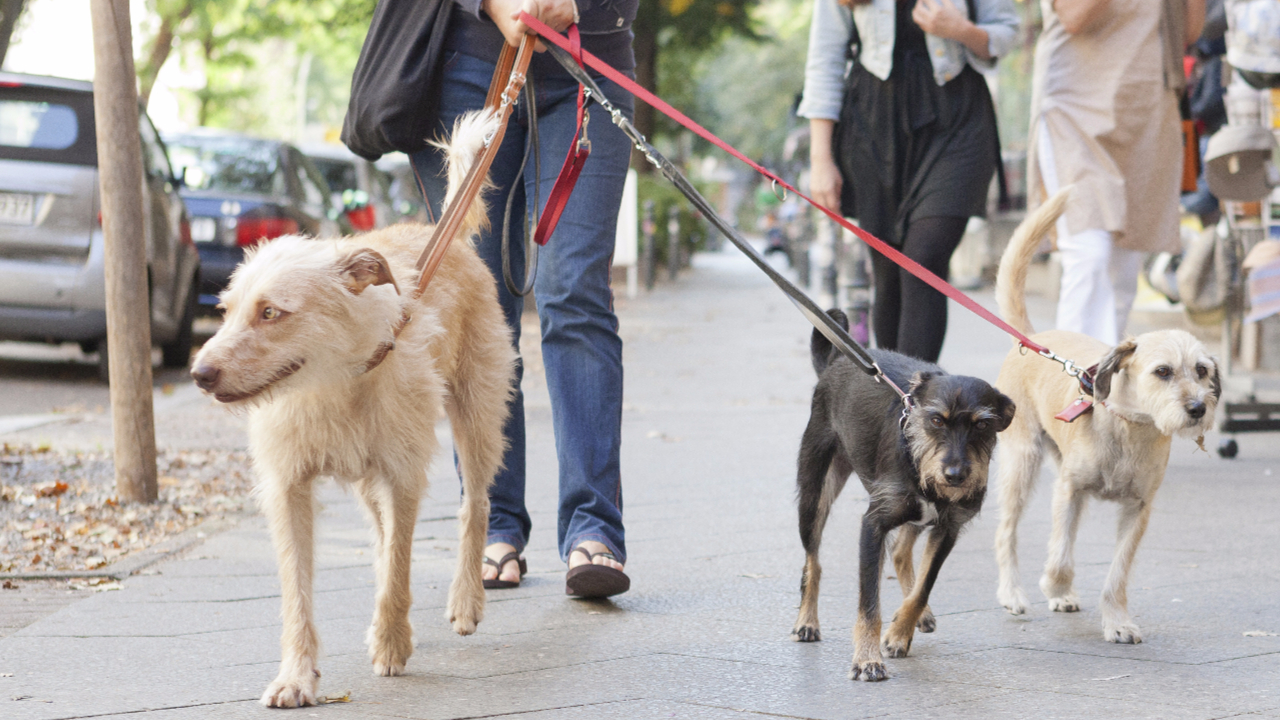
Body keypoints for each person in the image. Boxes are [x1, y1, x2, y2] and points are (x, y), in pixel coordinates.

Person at [410, 0, 635, 598]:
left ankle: (594, 530)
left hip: (591, 60)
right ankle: (490, 523)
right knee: (477, 308)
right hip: (470, 65)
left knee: (574, 291)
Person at [799, 0, 1019, 364]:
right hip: (874, 125)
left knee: (924, 258)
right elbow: (825, 56)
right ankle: (894, 405)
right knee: (887, 272)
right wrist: (820, 159)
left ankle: (914, 402)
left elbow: (1006, 30)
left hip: (957, 119)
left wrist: (961, 30)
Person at [1027, 0, 1206, 346]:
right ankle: (1070, 381)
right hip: (1074, 106)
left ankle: (1103, 387)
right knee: (1088, 252)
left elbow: (1190, 30)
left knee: (1123, 270)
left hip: (1145, 106)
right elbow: (1074, 16)